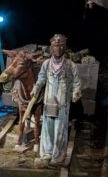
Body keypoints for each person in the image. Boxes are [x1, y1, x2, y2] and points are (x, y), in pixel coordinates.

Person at [31, 34, 81, 166]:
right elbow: (41, 79)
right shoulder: (46, 64)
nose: (58, 49)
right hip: (49, 101)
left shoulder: (70, 65)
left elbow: (76, 82)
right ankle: (46, 154)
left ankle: (58, 158)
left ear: (64, 48)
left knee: (60, 130)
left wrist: (76, 92)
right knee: (47, 128)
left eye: (61, 46)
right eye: (55, 46)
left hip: (63, 103)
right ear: (51, 48)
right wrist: (36, 88)